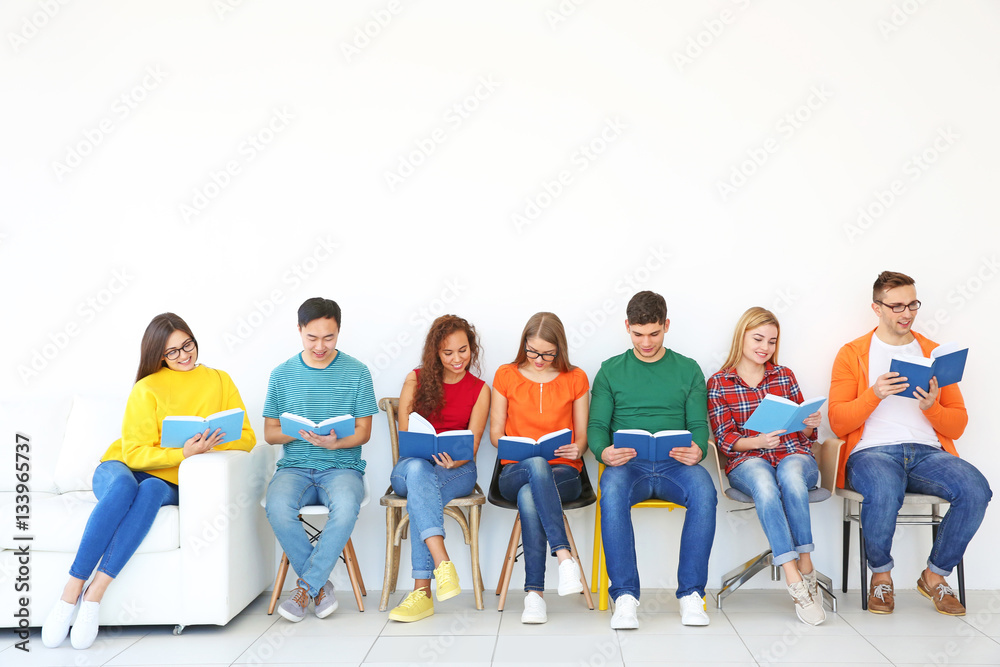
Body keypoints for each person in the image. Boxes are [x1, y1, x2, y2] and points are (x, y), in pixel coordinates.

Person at [41, 313, 256, 649]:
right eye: (173, 352)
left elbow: (246, 437)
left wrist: (208, 445)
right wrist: (182, 453)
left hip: (168, 480)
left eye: (188, 345)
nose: (185, 355)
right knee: (128, 486)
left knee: (153, 487)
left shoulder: (220, 380)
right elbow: (135, 453)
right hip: (120, 467)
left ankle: (95, 592)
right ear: (159, 356)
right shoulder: (147, 388)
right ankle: (71, 592)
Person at [829, 271, 991, 616]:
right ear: (877, 307)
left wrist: (932, 408)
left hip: (927, 453)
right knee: (885, 489)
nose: (907, 313)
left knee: (976, 488)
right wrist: (874, 393)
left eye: (913, 304)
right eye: (897, 305)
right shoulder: (853, 353)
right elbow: (838, 421)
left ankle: (934, 576)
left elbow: (958, 423)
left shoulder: (932, 352)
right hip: (872, 453)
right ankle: (881, 578)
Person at [588, 291, 717, 629]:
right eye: (638, 334)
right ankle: (625, 598)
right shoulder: (609, 371)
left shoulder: (688, 370)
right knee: (611, 492)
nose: (646, 342)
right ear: (627, 327)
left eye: (654, 333)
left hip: (676, 464)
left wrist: (699, 449)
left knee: (705, 491)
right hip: (627, 466)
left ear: (666, 326)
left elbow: (698, 426)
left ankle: (691, 596)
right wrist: (604, 452)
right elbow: (597, 427)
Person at [707, 307, 826, 625]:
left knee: (788, 473)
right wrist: (758, 443)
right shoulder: (720, 382)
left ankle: (806, 562)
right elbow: (725, 438)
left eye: (772, 341)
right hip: (748, 460)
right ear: (741, 337)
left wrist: (809, 423)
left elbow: (805, 431)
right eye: (758, 338)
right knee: (764, 482)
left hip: (794, 455)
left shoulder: (783, 375)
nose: (765, 347)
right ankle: (794, 578)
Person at [263, 298, 378, 622]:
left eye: (328, 338)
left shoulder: (357, 372)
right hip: (295, 467)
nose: (320, 346)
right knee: (277, 507)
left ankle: (303, 589)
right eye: (312, 337)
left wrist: (336, 442)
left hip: (342, 467)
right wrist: (297, 432)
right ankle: (320, 586)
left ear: (338, 331)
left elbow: (364, 432)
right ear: (299, 330)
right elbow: (270, 433)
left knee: (345, 509)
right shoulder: (282, 374)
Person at [388, 315, 490, 622]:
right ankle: (442, 563)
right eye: (448, 353)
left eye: (463, 350)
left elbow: (472, 444)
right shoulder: (415, 380)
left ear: (472, 349)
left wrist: (457, 458)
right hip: (410, 468)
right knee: (420, 473)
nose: (457, 359)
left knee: (424, 492)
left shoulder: (481, 390)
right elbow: (407, 437)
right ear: (436, 353)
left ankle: (422, 593)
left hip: (457, 471)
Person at [490, 312, 589, 624]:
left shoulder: (576, 378)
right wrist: (517, 445)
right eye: (533, 351)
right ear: (524, 345)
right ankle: (564, 557)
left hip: (565, 473)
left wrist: (578, 447)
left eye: (548, 353)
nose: (539, 359)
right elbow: (495, 435)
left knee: (531, 497)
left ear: (559, 348)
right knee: (534, 465)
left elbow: (583, 437)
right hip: (514, 471)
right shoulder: (505, 375)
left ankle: (534, 596)